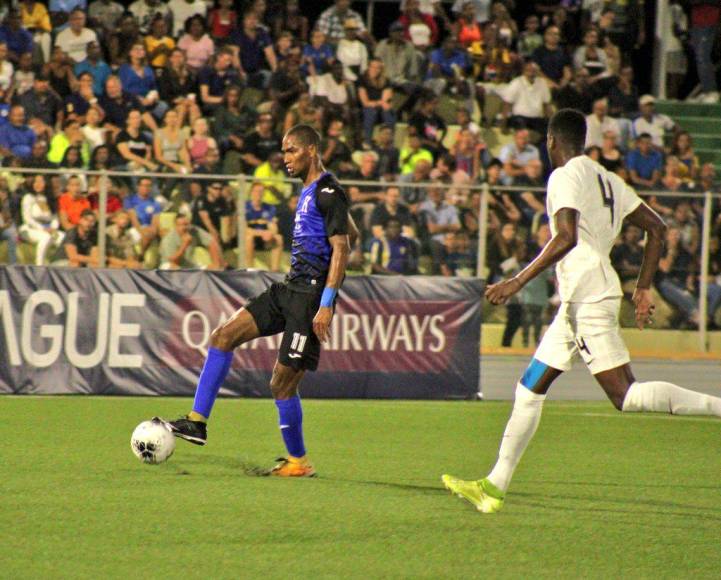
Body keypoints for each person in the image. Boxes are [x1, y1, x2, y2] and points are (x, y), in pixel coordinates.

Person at [441, 108, 721, 514]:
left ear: (552, 140)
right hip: (579, 301)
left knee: (626, 396)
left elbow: (566, 236)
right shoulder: (605, 176)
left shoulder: (565, 174)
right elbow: (658, 228)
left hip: (588, 299)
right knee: (529, 387)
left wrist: (516, 281)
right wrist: (641, 288)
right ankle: (494, 487)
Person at [156, 124, 358, 478]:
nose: (285, 158)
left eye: (292, 150)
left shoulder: (328, 190)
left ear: (311, 150)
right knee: (223, 336)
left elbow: (342, 246)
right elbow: (350, 233)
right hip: (288, 289)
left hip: (310, 297)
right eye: (283, 151)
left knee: (281, 383)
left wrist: (326, 303)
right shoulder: (311, 191)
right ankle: (196, 423)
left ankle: (298, 461)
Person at [159, 213, 223, 270]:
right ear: (176, 226)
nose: (185, 227)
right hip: (169, 266)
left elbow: (211, 242)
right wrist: (184, 245)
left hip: (189, 266)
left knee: (215, 269)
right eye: (182, 225)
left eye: (187, 224)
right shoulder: (169, 238)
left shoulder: (194, 231)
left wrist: (216, 264)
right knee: (173, 269)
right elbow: (174, 261)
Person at [245, 181, 283, 271]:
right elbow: (244, 229)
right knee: (248, 238)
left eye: (261, 191)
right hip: (250, 238)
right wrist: (262, 233)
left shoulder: (269, 208)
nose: (259, 194)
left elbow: (273, 227)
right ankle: (249, 270)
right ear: (251, 192)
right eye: (256, 191)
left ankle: (274, 271)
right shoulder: (244, 206)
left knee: (278, 238)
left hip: (264, 239)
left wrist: (271, 233)